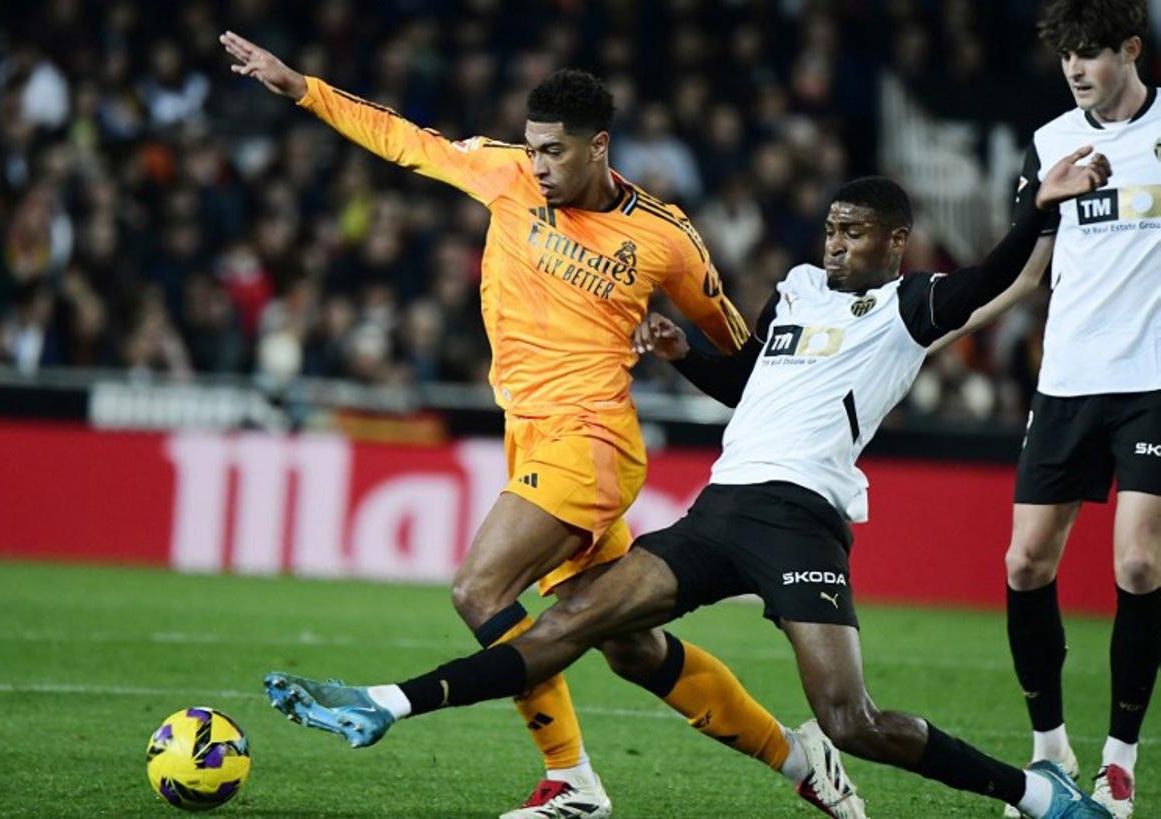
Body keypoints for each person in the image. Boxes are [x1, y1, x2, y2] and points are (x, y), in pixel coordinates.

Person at [262, 147, 1118, 816]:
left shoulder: (909, 305)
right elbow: (751, 382)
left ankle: (1038, 795)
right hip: (720, 508)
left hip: (800, 518)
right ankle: (385, 702)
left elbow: (991, 278)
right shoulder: (800, 290)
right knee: (573, 623)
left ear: (894, 242)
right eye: (831, 228)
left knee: (851, 720)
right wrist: (686, 355)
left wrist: (1038, 211)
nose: (834, 243)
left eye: (854, 232)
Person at [220, 32, 868, 819]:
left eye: (555, 151)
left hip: (590, 441)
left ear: (599, 146)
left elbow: (741, 344)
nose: (540, 166)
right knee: (630, 646)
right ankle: (802, 758)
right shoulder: (506, 175)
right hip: (532, 435)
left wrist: (797, 384)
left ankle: (571, 780)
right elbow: (403, 140)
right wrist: (301, 88)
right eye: (532, 149)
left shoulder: (664, 237)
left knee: (479, 587)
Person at [929, 3, 1159, 816]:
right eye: (1066, 55)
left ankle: (1119, 760)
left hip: (1151, 384)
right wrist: (935, 334)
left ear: (1131, 49)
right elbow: (1027, 273)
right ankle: (1050, 748)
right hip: (1066, 382)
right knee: (1025, 563)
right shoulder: (1053, 141)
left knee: (1140, 563)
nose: (1075, 68)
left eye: (1090, 53)